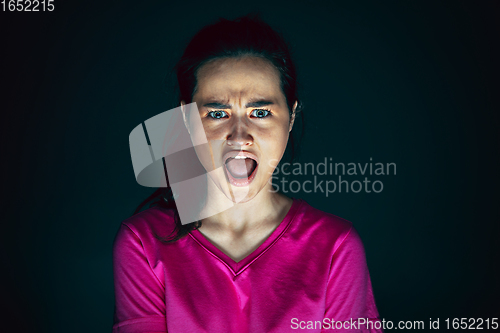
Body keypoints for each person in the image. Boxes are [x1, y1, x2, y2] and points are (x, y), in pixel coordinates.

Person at [112, 14, 382, 333]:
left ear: (291, 116)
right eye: (216, 114)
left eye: (260, 112)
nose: (239, 136)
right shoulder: (143, 244)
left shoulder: (336, 246)